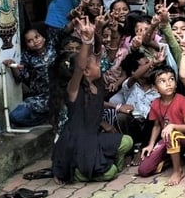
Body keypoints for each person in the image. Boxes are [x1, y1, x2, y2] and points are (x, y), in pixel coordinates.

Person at [52, 17, 133, 183]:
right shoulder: (74, 90)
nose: (99, 63)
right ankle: (75, 172)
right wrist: (86, 41)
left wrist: (98, 32)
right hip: (77, 144)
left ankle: (102, 165)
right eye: (95, 63)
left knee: (127, 141)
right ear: (86, 72)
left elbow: (103, 54)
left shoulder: (96, 83)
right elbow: (80, 67)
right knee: (110, 172)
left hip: (93, 137)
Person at [138, 66, 185, 185]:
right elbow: (157, 126)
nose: (168, 84)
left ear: (175, 83)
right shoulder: (155, 103)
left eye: (171, 79)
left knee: (171, 134)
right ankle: (170, 158)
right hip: (167, 139)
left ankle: (178, 171)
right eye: (162, 81)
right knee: (144, 170)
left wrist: (172, 126)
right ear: (155, 88)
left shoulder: (182, 100)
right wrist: (151, 144)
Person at [3, 28, 57, 127]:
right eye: (29, 41)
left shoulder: (54, 48)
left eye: (37, 37)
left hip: (59, 95)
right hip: (39, 99)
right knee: (15, 117)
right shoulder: (26, 56)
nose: (35, 41)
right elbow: (20, 78)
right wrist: (13, 66)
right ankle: (45, 118)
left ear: (44, 37)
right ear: (26, 45)